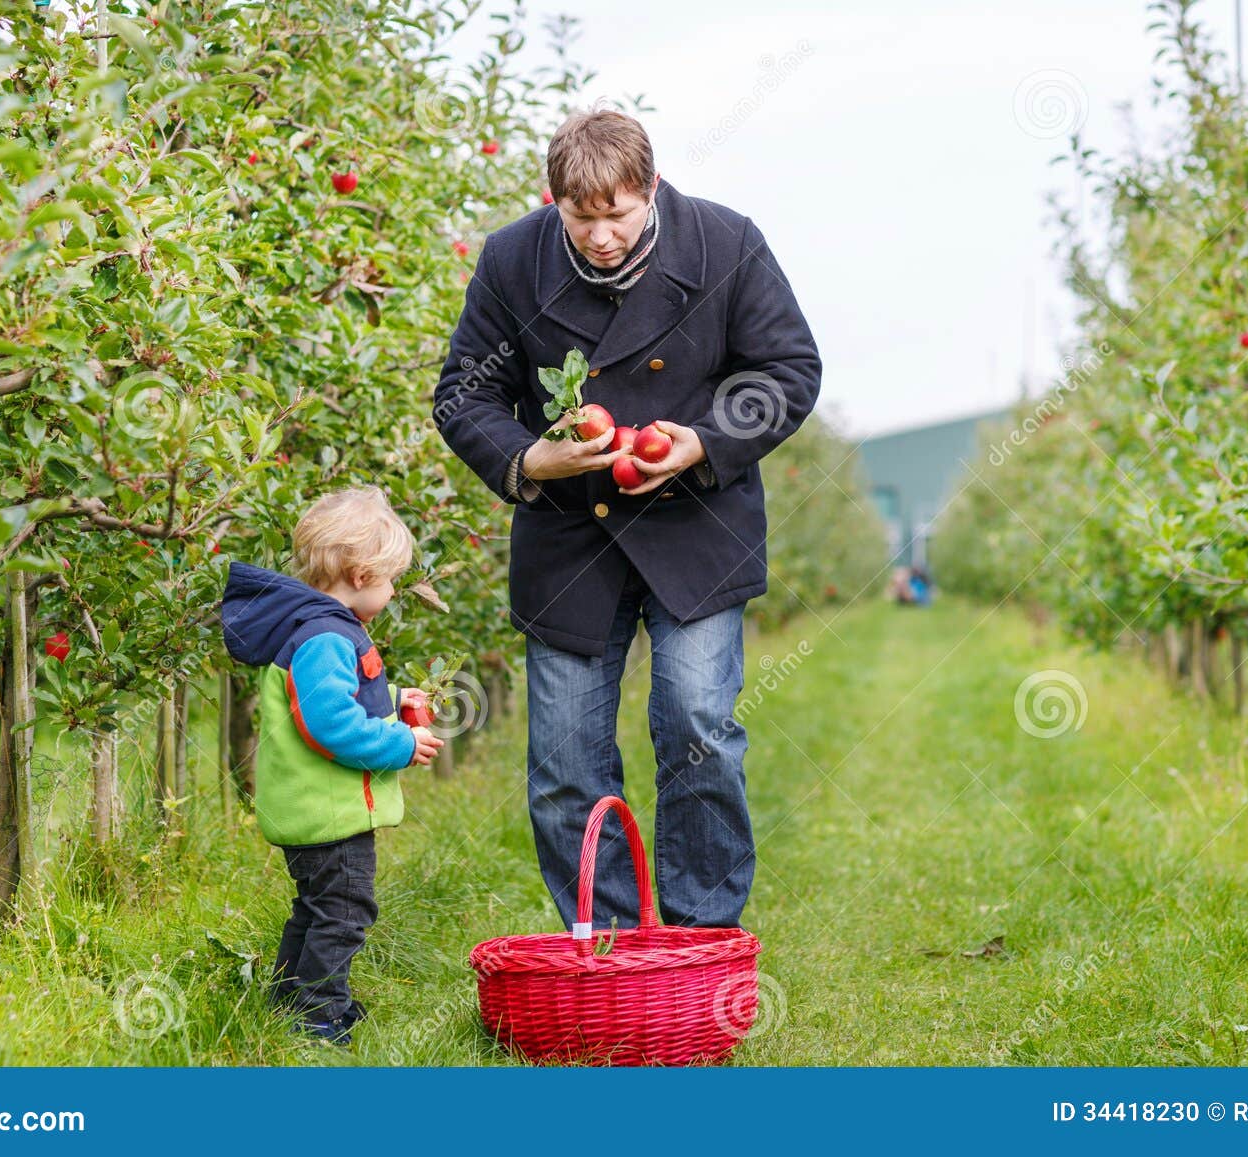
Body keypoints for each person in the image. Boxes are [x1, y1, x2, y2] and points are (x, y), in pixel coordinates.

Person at [433, 109, 822, 930]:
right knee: (566, 763)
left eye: (618, 214)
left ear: (649, 188)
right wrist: (529, 459)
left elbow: (787, 370)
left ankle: (698, 935)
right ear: (556, 202)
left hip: (695, 525)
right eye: (582, 218)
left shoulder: (725, 244)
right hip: (570, 536)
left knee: (697, 729)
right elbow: (464, 392)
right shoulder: (513, 260)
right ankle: (601, 945)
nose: (602, 235)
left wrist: (704, 441)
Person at [219, 485, 442, 1044]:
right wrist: (399, 746)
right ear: (362, 574)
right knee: (345, 912)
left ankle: (290, 998)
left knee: (317, 908)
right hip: (328, 810)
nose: (394, 591)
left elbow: (334, 702)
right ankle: (317, 1017)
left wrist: (392, 703)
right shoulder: (324, 636)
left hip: (314, 806)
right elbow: (331, 725)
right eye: (391, 579)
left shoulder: (315, 629)